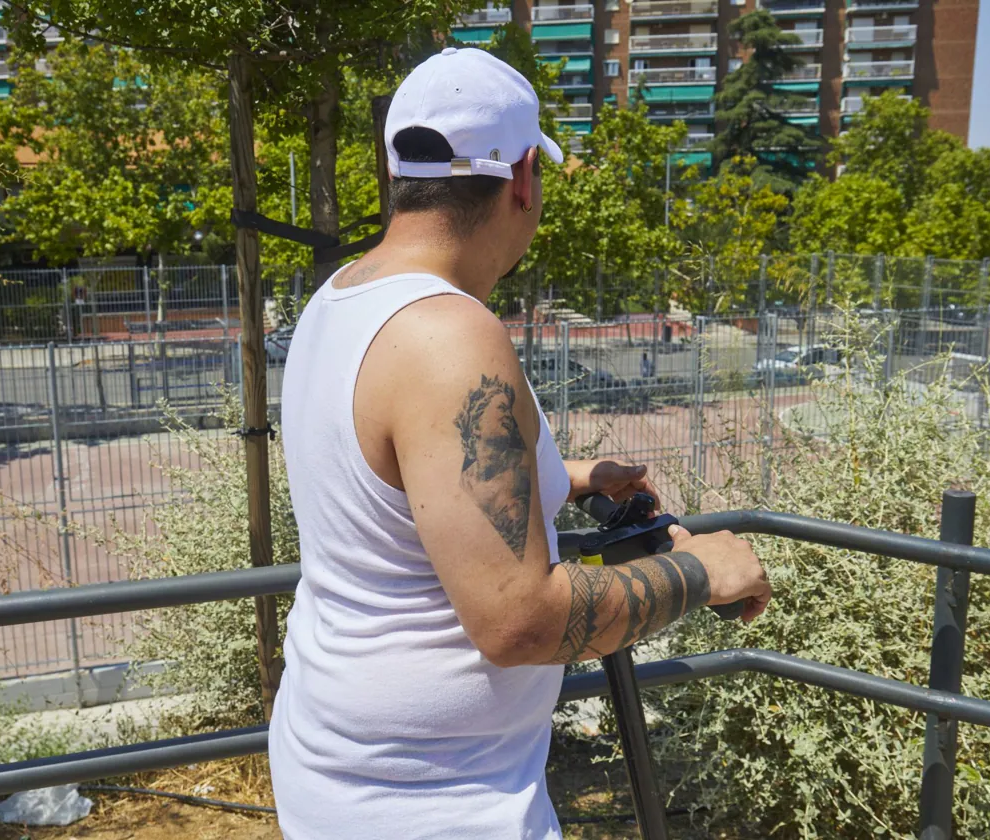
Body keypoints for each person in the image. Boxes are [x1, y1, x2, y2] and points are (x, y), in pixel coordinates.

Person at [270, 47, 772, 839]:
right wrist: (698, 572)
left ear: (400, 171)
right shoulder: (449, 337)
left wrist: (564, 477)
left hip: (348, 768)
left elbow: (395, 480)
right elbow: (521, 624)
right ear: (525, 179)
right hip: (434, 803)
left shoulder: (342, 297)